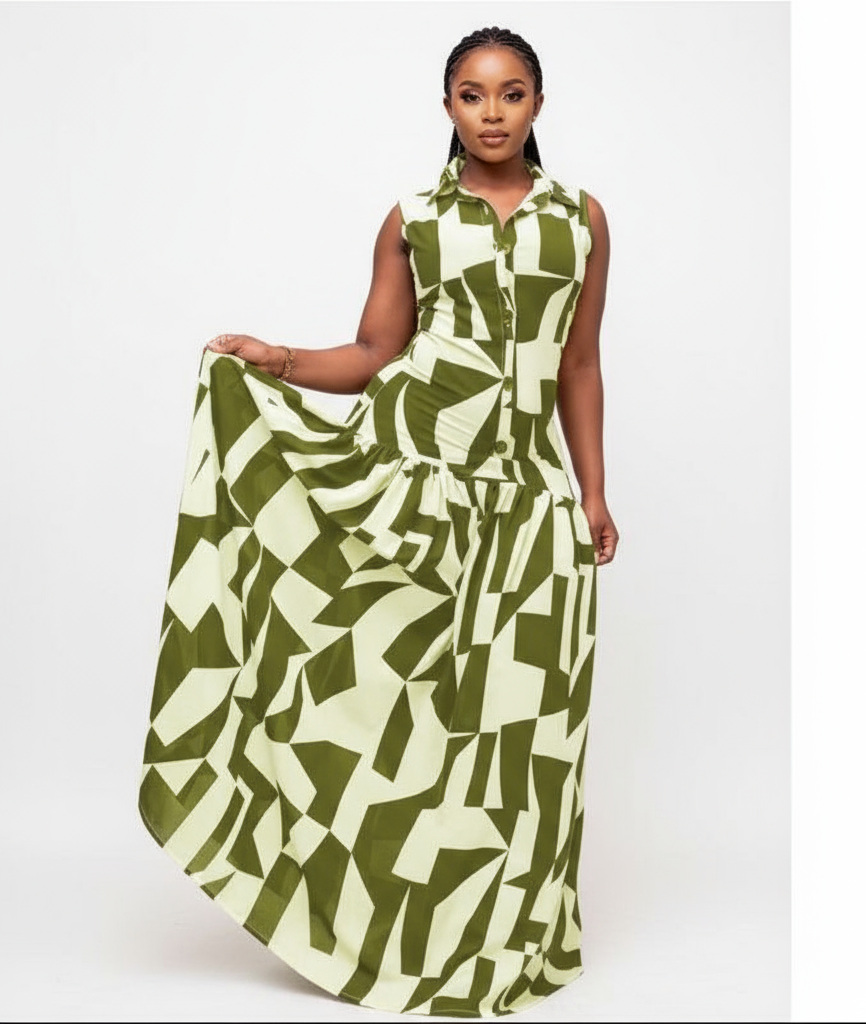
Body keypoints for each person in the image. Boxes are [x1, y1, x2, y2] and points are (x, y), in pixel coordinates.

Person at [138, 25, 619, 1018]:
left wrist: (592, 490)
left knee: (519, 732)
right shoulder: (413, 219)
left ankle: (504, 940)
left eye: (512, 93)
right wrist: (279, 360)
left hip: (525, 505)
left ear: (539, 104)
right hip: (417, 487)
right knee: (401, 716)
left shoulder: (581, 220)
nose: (492, 113)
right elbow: (373, 350)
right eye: (472, 95)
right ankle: (378, 924)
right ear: (445, 106)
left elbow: (577, 363)